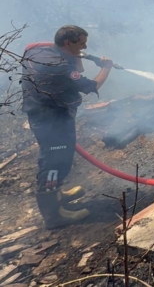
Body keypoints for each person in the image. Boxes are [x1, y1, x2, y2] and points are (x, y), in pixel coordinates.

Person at [21, 25, 113, 229]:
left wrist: (80, 54)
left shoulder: (37, 50)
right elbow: (91, 86)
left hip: (43, 111)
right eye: (81, 43)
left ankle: (56, 194)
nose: (86, 46)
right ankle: (54, 216)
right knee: (55, 162)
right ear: (67, 43)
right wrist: (106, 67)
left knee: (58, 158)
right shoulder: (60, 66)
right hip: (51, 118)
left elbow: (76, 67)